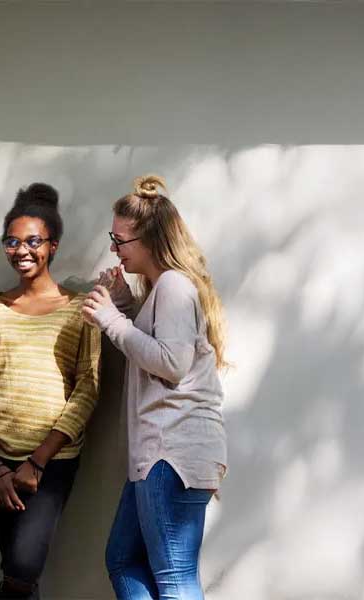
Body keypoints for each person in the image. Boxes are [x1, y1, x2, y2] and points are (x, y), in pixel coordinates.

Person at [83, 174, 229, 600]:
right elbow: (158, 347)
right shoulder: (162, 291)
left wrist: (112, 320)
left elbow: (172, 363)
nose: (114, 248)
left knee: (175, 577)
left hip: (172, 453)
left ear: (148, 240)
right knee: (123, 559)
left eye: (120, 239)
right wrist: (125, 304)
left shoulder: (174, 287)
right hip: (160, 454)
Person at [0, 183, 102, 599]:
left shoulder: (82, 308)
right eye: (12, 241)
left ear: (53, 246)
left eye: (33, 241)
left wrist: (37, 463)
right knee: (21, 577)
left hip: (52, 462)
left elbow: (89, 387)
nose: (21, 250)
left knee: (22, 569)